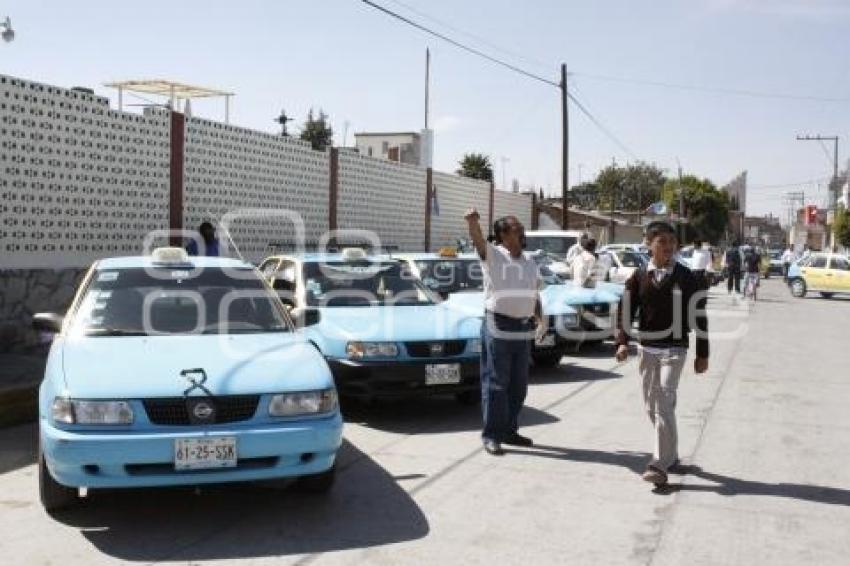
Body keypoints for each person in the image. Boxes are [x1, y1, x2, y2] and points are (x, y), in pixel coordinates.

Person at [615, 221, 709, 487]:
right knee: (651, 406)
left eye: (672, 242)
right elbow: (625, 310)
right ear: (649, 245)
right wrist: (622, 342)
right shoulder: (639, 275)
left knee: (664, 402)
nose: (668, 247)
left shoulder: (686, 276)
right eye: (662, 242)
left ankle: (658, 463)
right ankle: (672, 454)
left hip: (675, 348)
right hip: (647, 349)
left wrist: (703, 353)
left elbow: (699, 315)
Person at [465, 208, 544, 456]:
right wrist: (473, 223)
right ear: (502, 235)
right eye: (514, 227)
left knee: (518, 385)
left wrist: (541, 320)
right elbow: (478, 240)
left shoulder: (530, 260)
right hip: (498, 325)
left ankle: (510, 430)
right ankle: (492, 435)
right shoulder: (494, 255)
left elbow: (535, 292)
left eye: (520, 227)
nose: (520, 230)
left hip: (523, 328)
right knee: (497, 383)